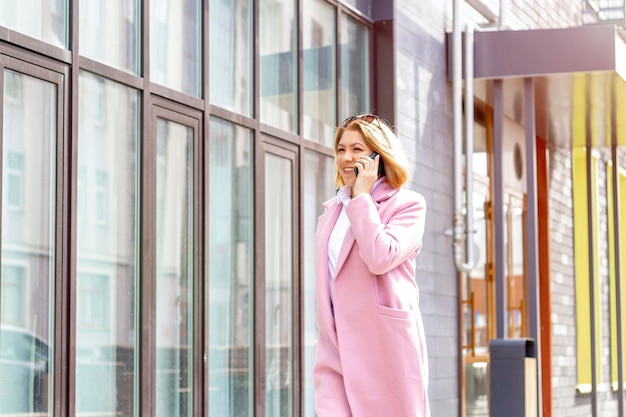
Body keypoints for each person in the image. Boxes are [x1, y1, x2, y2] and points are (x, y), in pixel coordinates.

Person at [313, 114, 430, 417]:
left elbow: (381, 257)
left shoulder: (407, 205)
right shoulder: (331, 213)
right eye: (340, 149)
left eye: (357, 149)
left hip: (385, 352)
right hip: (336, 352)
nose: (346, 157)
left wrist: (362, 198)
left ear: (378, 157)